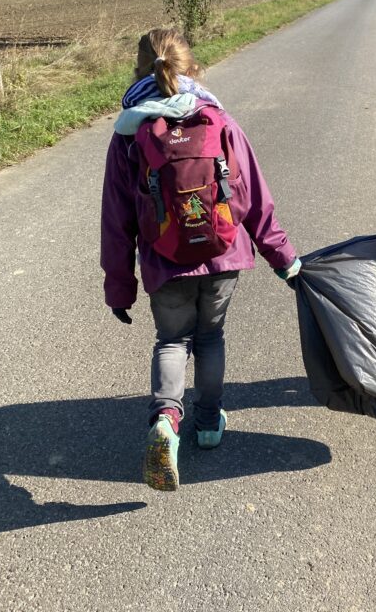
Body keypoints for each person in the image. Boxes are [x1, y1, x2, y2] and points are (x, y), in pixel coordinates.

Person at [101, 28, 301, 492]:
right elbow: (253, 196)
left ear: (138, 71)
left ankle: (165, 421)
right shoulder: (219, 120)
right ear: (193, 68)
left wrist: (119, 286)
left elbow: (117, 218)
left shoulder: (129, 133)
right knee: (210, 338)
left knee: (172, 341)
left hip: (164, 260)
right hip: (223, 255)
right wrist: (283, 259)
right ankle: (208, 424)